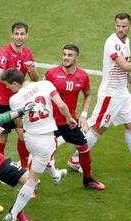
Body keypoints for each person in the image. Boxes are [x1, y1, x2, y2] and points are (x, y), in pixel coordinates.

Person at [77, 12, 131, 172]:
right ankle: (75, 159)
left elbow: (123, 64)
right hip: (110, 93)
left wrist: (130, 78)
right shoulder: (113, 42)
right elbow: (123, 65)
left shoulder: (125, 41)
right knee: (98, 128)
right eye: (118, 26)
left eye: (124, 26)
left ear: (129, 27)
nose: (120, 29)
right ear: (114, 25)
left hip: (122, 92)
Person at [0, 68, 77, 221]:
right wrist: (69, 118)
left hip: (30, 139)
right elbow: (61, 105)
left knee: (40, 158)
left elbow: (20, 123)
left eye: (8, 85)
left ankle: (56, 175)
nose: (8, 88)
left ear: (15, 83)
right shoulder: (46, 84)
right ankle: (13, 215)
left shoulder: (14, 100)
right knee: (32, 179)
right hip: (45, 139)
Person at [44, 44, 105, 190]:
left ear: (76, 57)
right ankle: (32, 187)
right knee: (42, 154)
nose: (66, 57)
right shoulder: (51, 74)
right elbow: (40, 90)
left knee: (84, 148)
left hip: (70, 121)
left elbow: (88, 94)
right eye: (64, 54)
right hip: (51, 122)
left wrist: (83, 115)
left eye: (69, 55)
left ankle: (88, 180)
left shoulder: (83, 76)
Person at [0, 22, 39, 169]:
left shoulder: (27, 54)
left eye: (22, 34)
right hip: (0, 101)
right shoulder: (4, 52)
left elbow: (35, 78)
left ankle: (24, 168)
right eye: (16, 34)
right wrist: (21, 82)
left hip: (17, 101)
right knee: (2, 135)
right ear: (12, 34)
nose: (19, 37)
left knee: (22, 133)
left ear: (26, 35)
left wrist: (32, 70)